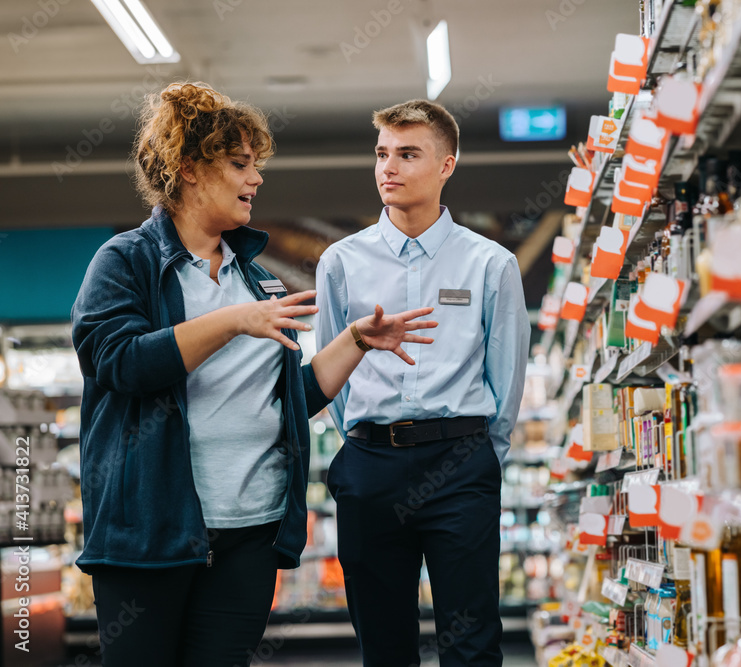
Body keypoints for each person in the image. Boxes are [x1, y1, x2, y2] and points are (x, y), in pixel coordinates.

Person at [70, 82, 437, 667]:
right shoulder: (126, 262)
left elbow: (289, 399)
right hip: (152, 532)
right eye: (241, 165)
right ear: (188, 168)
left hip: (250, 532)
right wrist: (232, 322)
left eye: (257, 165)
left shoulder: (257, 280)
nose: (257, 179)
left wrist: (357, 342)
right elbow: (118, 363)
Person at [315, 99, 530, 666]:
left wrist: (482, 456)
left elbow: (506, 379)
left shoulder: (491, 264)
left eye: (408, 154)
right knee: (383, 646)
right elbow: (329, 373)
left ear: (446, 166)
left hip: (460, 463)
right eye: (382, 154)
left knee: (473, 641)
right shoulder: (340, 262)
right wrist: (364, 443)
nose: (390, 167)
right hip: (369, 466)